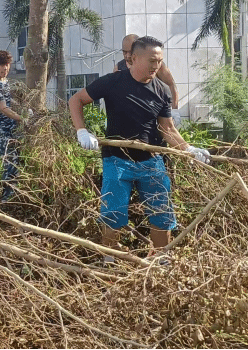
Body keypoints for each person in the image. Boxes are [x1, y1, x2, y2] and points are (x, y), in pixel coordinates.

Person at [69, 36, 211, 255]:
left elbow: (166, 128)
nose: (156, 66)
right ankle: (110, 260)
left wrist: (188, 149)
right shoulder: (112, 82)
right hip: (117, 160)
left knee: (162, 213)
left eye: (159, 61)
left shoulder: (162, 90)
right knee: (113, 214)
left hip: (151, 161)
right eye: (152, 61)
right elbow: (76, 100)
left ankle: (161, 260)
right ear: (134, 58)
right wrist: (82, 131)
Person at [0, 50, 26, 202]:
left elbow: (11, 103)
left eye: (7, 64)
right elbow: (3, 108)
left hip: (10, 129)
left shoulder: (5, 83)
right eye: (2, 65)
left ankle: (13, 196)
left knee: (18, 162)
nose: (6, 68)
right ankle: (6, 200)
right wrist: (23, 118)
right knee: (10, 163)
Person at [114, 34, 181, 126]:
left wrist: (174, 110)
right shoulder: (119, 67)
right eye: (124, 52)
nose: (127, 55)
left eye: (130, 52)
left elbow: (170, 84)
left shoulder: (156, 65)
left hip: (154, 111)